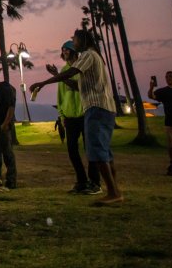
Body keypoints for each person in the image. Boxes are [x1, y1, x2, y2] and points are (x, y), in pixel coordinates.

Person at [31, 29, 124, 205]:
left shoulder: (88, 55)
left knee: (96, 150)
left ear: (82, 40)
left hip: (96, 107)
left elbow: (69, 73)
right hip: (101, 108)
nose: (72, 42)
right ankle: (115, 191)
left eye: (74, 39)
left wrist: (43, 83)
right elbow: (75, 85)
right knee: (104, 152)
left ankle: (111, 192)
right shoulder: (92, 57)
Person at [47, 40, 101, 195]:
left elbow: (77, 87)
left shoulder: (81, 67)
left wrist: (58, 76)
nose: (64, 52)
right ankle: (82, 181)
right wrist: (61, 115)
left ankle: (95, 182)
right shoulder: (64, 69)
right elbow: (61, 95)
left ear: (73, 51)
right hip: (70, 117)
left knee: (90, 149)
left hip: (86, 114)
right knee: (72, 150)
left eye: (67, 49)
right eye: (62, 49)